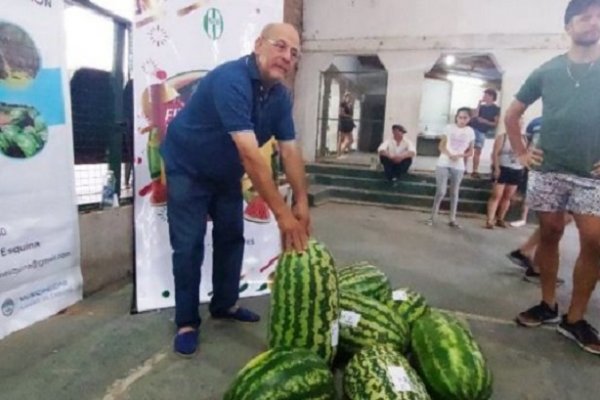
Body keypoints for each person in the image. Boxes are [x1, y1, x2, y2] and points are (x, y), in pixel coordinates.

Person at [160, 23, 310, 357]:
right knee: (188, 245)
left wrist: (301, 201)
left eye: (294, 53)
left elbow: (289, 150)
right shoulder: (232, 80)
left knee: (231, 236)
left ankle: (224, 304)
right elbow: (249, 152)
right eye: (280, 46)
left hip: (225, 172)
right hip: (188, 167)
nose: (286, 57)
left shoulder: (280, 97)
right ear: (258, 45)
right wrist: (282, 216)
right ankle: (186, 321)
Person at [506, 0, 600, 354]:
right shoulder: (548, 70)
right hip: (548, 171)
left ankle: (575, 319)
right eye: (585, 17)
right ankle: (548, 305)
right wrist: (521, 153)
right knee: (550, 233)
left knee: (594, 240)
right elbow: (513, 114)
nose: (593, 23)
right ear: (569, 26)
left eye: (598, 17)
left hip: (591, 175)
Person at [426, 107, 475, 228]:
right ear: (456, 117)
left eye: (465, 118)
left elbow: (471, 151)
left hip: (458, 164)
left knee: (454, 192)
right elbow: (441, 146)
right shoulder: (449, 128)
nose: (462, 120)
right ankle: (432, 217)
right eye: (460, 117)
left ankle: (452, 218)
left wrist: (460, 155)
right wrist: (450, 154)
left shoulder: (470, 131)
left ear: (469, 119)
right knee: (441, 191)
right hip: (444, 162)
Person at [484, 126, 526, 229]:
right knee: (497, 195)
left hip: (517, 169)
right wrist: (496, 168)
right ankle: (490, 219)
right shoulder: (503, 137)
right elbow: (495, 153)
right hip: (503, 168)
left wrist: (523, 167)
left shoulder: (524, 138)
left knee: (508, 196)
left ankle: (500, 218)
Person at [510, 117, 541, 227]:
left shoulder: (561, 123)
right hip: (532, 160)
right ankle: (523, 217)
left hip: (551, 163)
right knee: (528, 188)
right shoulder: (535, 122)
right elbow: (527, 142)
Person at [468, 88, 500, 178]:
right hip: (472, 128)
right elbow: (475, 116)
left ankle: (474, 171)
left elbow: (495, 123)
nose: (483, 97)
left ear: (491, 97)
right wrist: (479, 104)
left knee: (477, 151)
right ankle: (463, 170)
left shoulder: (496, 109)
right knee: (466, 149)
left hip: (481, 131)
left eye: (485, 95)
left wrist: (484, 121)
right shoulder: (482, 107)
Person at [337, 92, 356, 156]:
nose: (349, 98)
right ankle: (340, 152)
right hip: (344, 123)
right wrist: (349, 116)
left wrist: (352, 121)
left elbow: (350, 114)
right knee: (343, 138)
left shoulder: (350, 105)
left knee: (350, 139)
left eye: (350, 97)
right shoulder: (342, 104)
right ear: (345, 97)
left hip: (348, 123)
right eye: (347, 97)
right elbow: (341, 113)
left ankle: (341, 152)